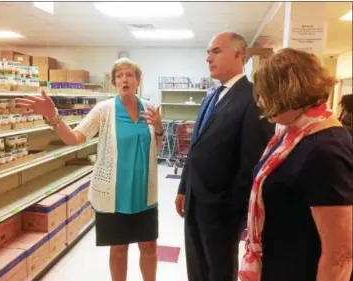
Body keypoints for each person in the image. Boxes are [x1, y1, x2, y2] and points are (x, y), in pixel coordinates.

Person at [16, 58, 163, 281]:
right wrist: (53, 116)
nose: (125, 79)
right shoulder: (104, 110)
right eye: (120, 75)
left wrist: (159, 128)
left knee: (150, 246)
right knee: (119, 248)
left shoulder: (149, 110)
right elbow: (75, 138)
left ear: (138, 81)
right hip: (114, 195)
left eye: (130, 75)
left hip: (144, 193)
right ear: (114, 81)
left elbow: (156, 150)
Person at [239, 48, 353, 281]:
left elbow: (340, 253)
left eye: (265, 94)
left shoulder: (325, 150)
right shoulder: (292, 134)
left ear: (287, 92)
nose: (260, 102)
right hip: (279, 263)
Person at [175, 32, 274, 281]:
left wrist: (235, 213)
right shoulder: (211, 97)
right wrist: (183, 187)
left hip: (222, 210)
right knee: (196, 267)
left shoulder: (253, 99)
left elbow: (252, 162)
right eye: (208, 52)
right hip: (195, 201)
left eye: (215, 51)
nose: (208, 58)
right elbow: (196, 148)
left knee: (219, 271)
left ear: (238, 55)